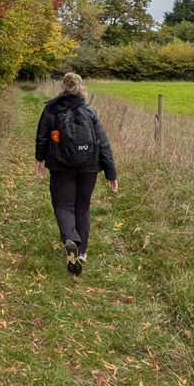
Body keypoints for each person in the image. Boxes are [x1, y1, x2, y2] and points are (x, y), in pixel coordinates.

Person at [35, 71, 117, 276]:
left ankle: (71, 238)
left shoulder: (51, 110)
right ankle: (80, 253)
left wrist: (40, 159)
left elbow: (42, 136)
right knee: (83, 206)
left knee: (63, 204)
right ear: (81, 88)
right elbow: (103, 143)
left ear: (62, 87)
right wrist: (111, 173)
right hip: (89, 166)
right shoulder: (90, 112)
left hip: (61, 166)